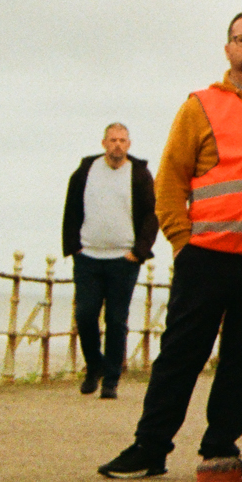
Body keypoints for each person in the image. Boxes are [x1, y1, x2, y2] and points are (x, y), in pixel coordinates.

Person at [98, 13, 242, 482]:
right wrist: (182, 243)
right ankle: (150, 447)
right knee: (181, 354)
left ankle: (221, 448)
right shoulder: (199, 106)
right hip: (208, 257)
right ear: (227, 49)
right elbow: (170, 180)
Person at [60, 123, 156, 398]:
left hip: (123, 259)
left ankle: (111, 380)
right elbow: (71, 208)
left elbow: (151, 214)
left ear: (129, 144)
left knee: (116, 319)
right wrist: (74, 247)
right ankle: (94, 366)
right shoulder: (85, 172)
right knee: (85, 315)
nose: (117, 145)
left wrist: (139, 251)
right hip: (89, 256)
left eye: (122, 140)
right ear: (104, 143)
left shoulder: (139, 174)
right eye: (113, 140)